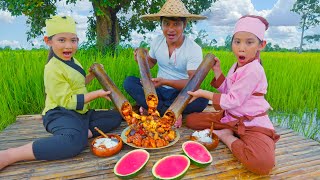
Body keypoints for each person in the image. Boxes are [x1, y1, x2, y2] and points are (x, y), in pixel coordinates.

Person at [0, 15, 122, 170]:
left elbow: (78, 84)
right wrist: (97, 94)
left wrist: (92, 75)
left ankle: (80, 132)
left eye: (73, 40)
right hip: (60, 113)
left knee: (115, 117)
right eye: (62, 40)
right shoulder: (52, 68)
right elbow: (68, 101)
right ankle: (10, 155)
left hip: (79, 113)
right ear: (48, 41)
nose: (69, 46)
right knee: (72, 143)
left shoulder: (73, 61)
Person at [186, 15, 280, 175]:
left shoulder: (254, 70)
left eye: (249, 42)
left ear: (261, 45)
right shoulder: (238, 65)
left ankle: (227, 136)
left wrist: (204, 94)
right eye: (237, 42)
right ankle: (229, 129)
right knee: (191, 120)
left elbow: (232, 100)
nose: (241, 48)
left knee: (263, 164)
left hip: (251, 123)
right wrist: (218, 71)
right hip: (230, 117)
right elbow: (229, 90)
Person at [123, 0, 209, 127]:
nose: (171, 29)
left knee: (202, 100)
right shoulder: (157, 41)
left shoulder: (193, 48)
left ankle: (154, 109)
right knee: (129, 82)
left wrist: (165, 81)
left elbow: (193, 84)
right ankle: (171, 111)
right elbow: (151, 63)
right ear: (161, 24)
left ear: (184, 25)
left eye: (176, 24)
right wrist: (140, 60)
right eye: (166, 24)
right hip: (158, 91)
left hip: (180, 94)